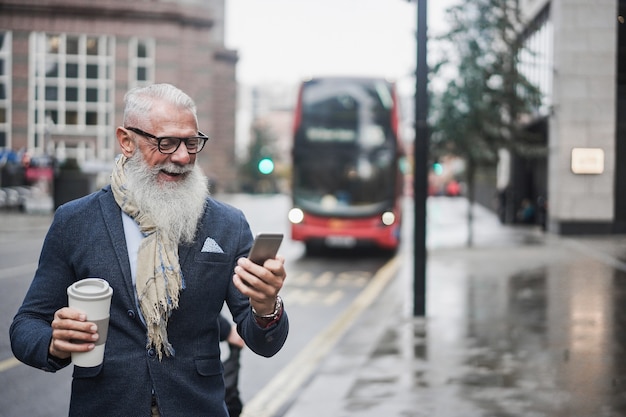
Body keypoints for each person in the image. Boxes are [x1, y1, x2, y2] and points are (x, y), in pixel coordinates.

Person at [9, 83, 289, 417]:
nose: (183, 156)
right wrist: (53, 343)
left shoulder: (228, 224)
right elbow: (27, 324)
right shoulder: (75, 221)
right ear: (126, 141)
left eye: (191, 142)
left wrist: (266, 307)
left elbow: (264, 342)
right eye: (166, 142)